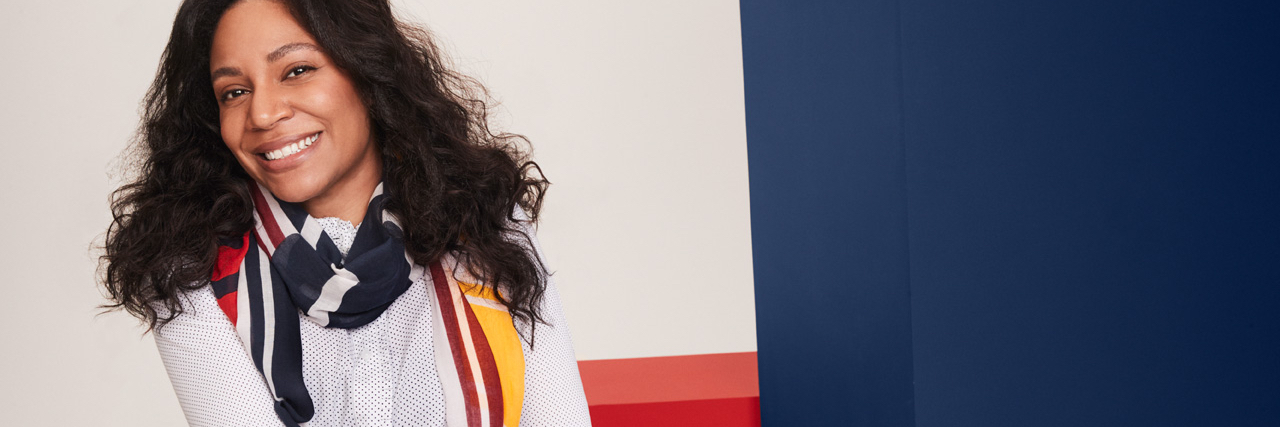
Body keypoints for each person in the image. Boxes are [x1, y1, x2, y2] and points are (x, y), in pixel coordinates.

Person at [99, 0, 591, 425]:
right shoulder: (188, 271)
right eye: (235, 91)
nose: (263, 113)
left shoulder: (486, 225)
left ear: (366, 70)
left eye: (296, 70)